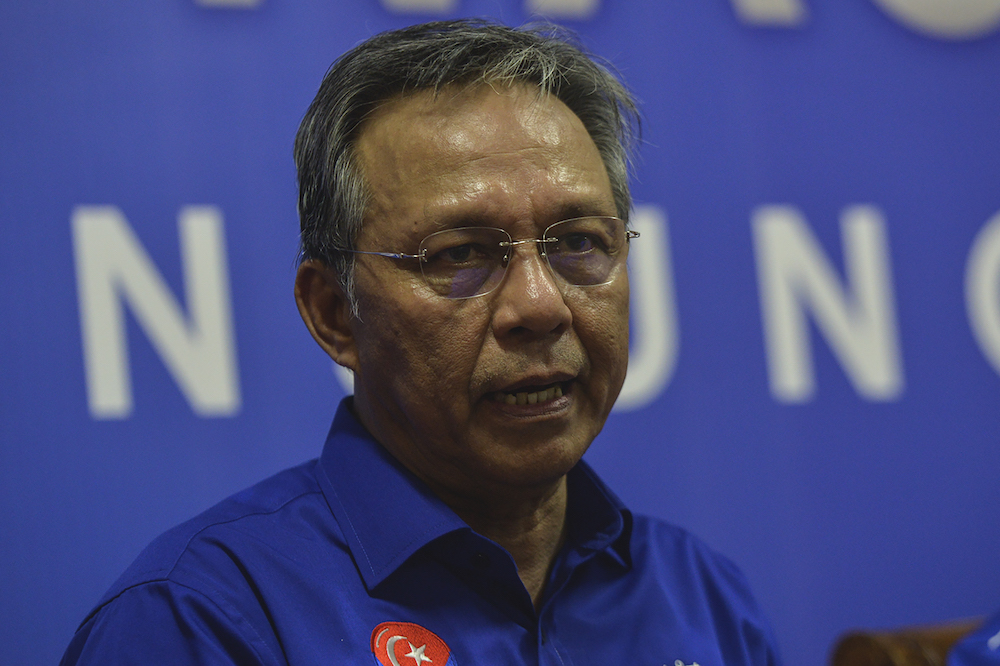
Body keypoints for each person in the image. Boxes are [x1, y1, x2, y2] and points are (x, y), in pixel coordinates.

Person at [62, 19, 782, 666]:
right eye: (460, 254)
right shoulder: (202, 621)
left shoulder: (701, 597)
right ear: (334, 314)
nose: (538, 305)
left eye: (578, 242)